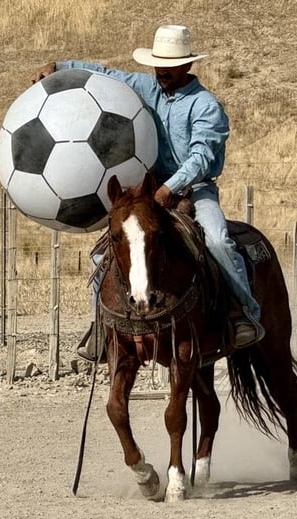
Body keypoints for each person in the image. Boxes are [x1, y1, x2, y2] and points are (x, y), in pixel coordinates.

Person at [31, 24, 265, 360]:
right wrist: (61, 67)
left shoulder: (206, 106)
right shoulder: (148, 87)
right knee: (102, 254)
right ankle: (103, 326)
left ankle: (243, 313)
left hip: (196, 190)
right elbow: (106, 74)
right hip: (148, 191)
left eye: (169, 66)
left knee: (215, 238)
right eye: (158, 64)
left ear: (187, 66)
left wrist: (172, 187)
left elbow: (202, 157)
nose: (162, 72)